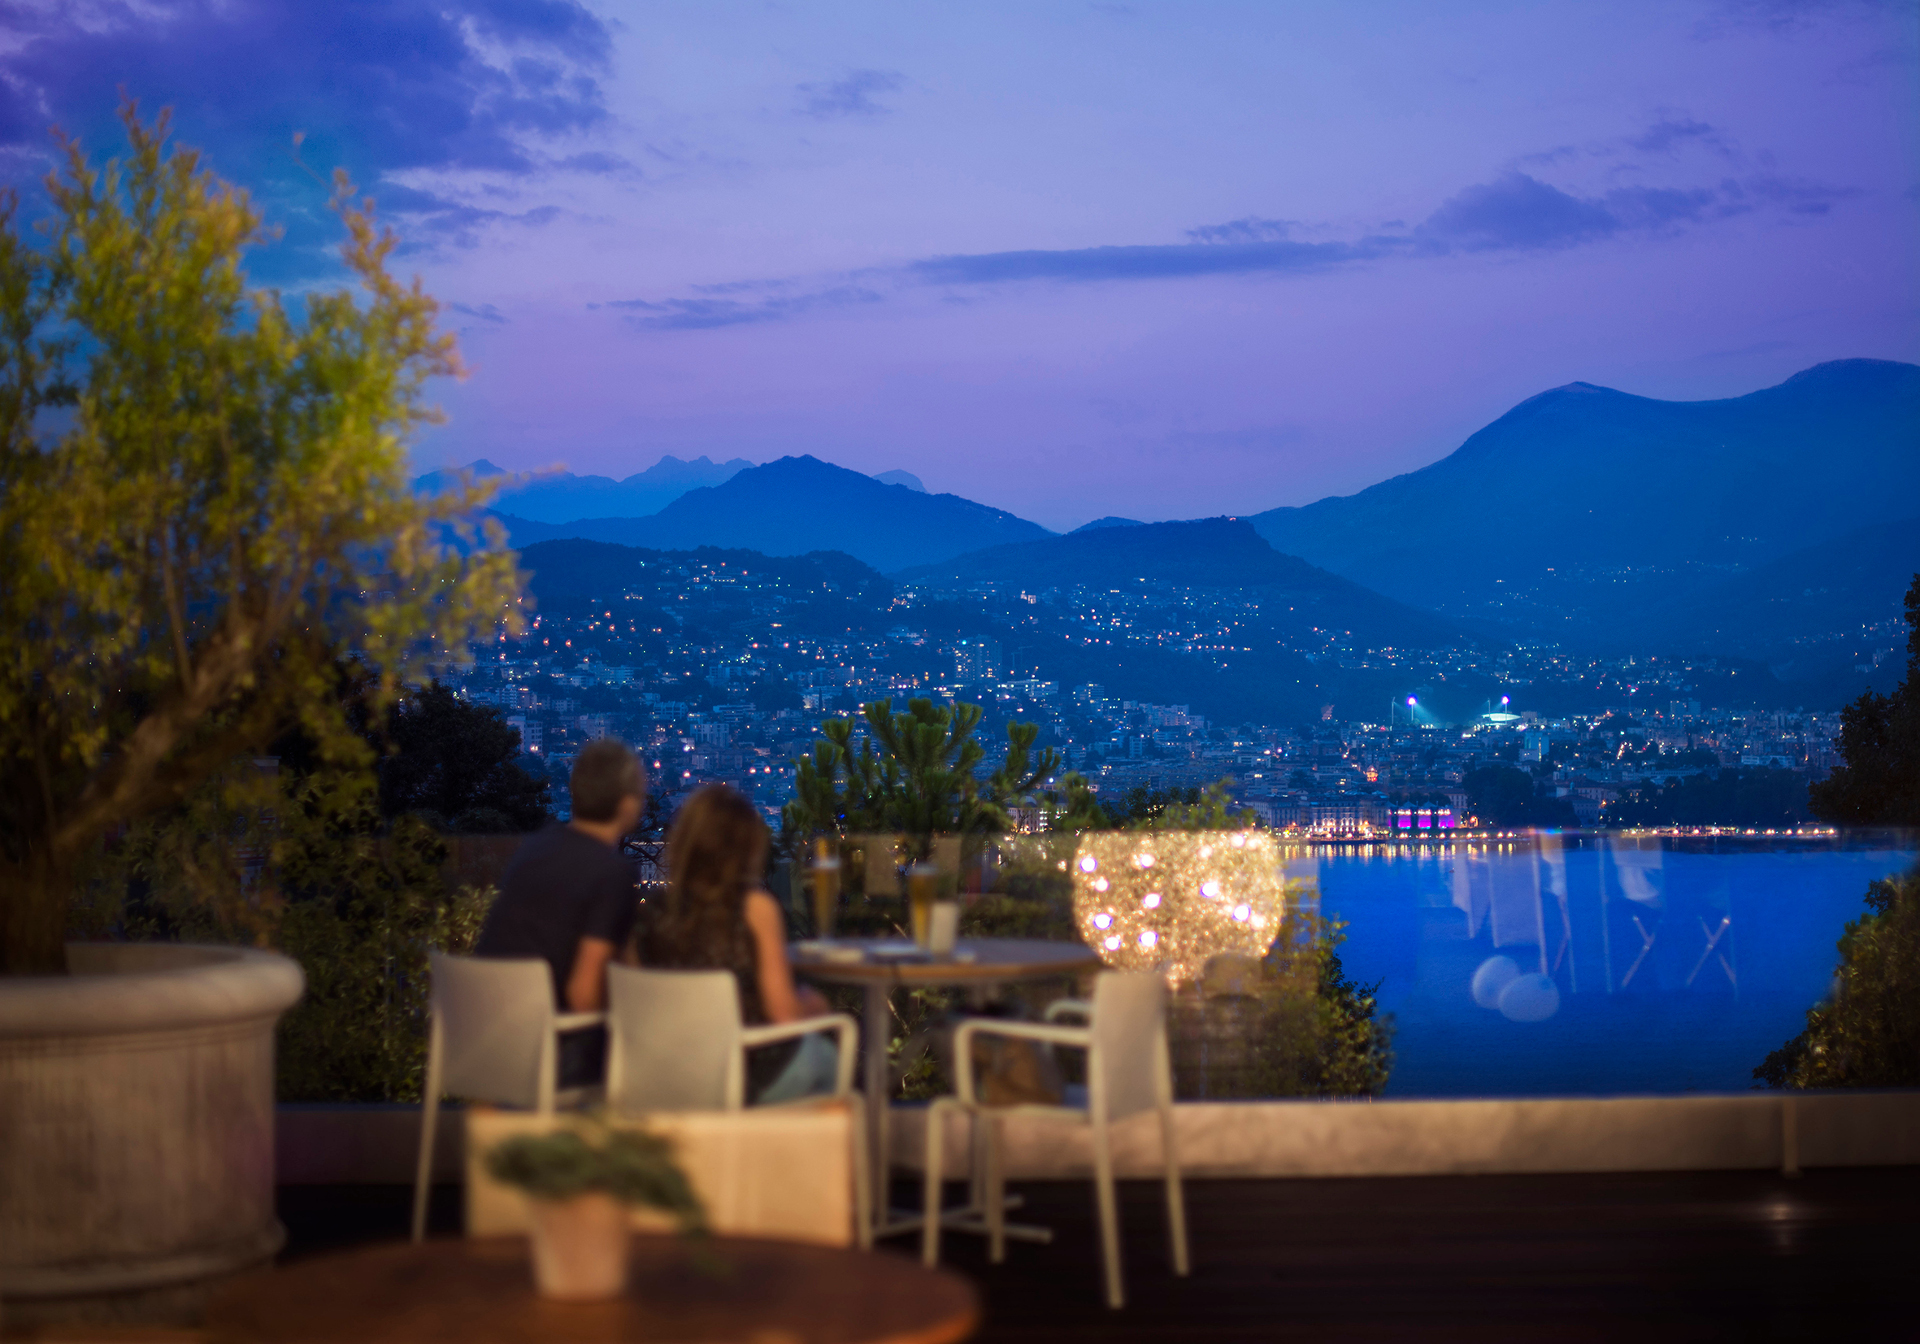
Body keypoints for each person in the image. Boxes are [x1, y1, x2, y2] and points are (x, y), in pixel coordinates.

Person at [644, 783, 838, 1103]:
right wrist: (814, 1004)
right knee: (827, 1054)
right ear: (747, 848)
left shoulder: (650, 912)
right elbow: (784, 1015)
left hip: (664, 1074)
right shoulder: (755, 909)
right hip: (743, 1076)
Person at [474, 739, 644, 1085]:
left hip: (484, 1040)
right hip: (546, 1053)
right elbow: (583, 996)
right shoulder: (612, 871)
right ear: (627, 804)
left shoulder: (535, 847)